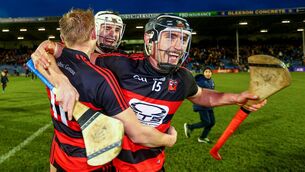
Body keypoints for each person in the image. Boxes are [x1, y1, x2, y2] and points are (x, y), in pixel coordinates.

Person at [32, 14, 267, 172]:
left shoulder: (183, 78)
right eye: (171, 37)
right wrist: (55, 64)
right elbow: (70, 54)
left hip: (154, 166)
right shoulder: (119, 64)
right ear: (150, 39)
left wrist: (237, 98)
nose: (178, 46)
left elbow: (202, 96)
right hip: (116, 165)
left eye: (183, 39)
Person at [31, 9, 177, 172]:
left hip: (62, 150)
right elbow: (137, 133)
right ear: (94, 33)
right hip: (92, 160)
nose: (112, 34)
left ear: (63, 39)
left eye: (116, 29)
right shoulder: (103, 77)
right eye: (106, 28)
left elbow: (41, 54)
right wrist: (169, 140)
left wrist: (60, 78)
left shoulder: (54, 59)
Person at [184, 67, 215, 143]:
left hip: (209, 105)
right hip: (201, 104)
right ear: (203, 73)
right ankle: (190, 127)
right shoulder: (200, 80)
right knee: (206, 122)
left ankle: (202, 137)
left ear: (211, 73)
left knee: (212, 122)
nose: (208, 73)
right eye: (206, 71)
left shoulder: (211, 81)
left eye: (209, 72)